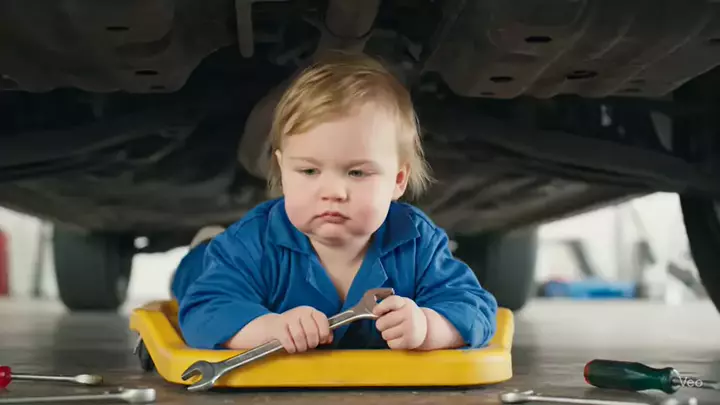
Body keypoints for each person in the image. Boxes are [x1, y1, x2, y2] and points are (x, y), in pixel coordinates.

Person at [172, 52, 498, 353]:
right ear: (282, 170)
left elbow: (474, 308)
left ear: (398, 180)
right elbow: (203, 311)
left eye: (356, 173)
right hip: (216, 261)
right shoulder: (251, 242)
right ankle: (204, 246)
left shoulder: (417, 242)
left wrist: (429, 327)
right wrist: (271, 328)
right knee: (198, 273)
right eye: (309, 171)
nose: (332, 192)